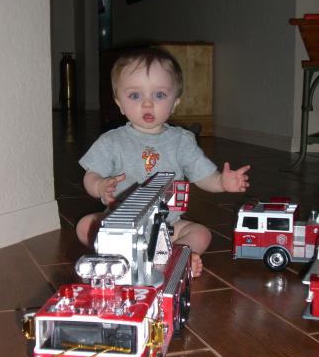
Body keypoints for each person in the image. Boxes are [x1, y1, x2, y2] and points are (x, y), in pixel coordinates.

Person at [76, 47, 250, 277]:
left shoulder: (182, 141)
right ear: (119, 102)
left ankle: (174, 256)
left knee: (201, 233)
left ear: (175, 102)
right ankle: (119, 254)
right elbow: (91, 175)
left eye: (159, 95)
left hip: (167, 228)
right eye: (135, 95)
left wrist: (221, 182)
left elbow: (203, 175)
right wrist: (99, 185)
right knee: (85, 226)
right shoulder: (112, 141)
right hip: (120, 227)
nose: (147, 104)